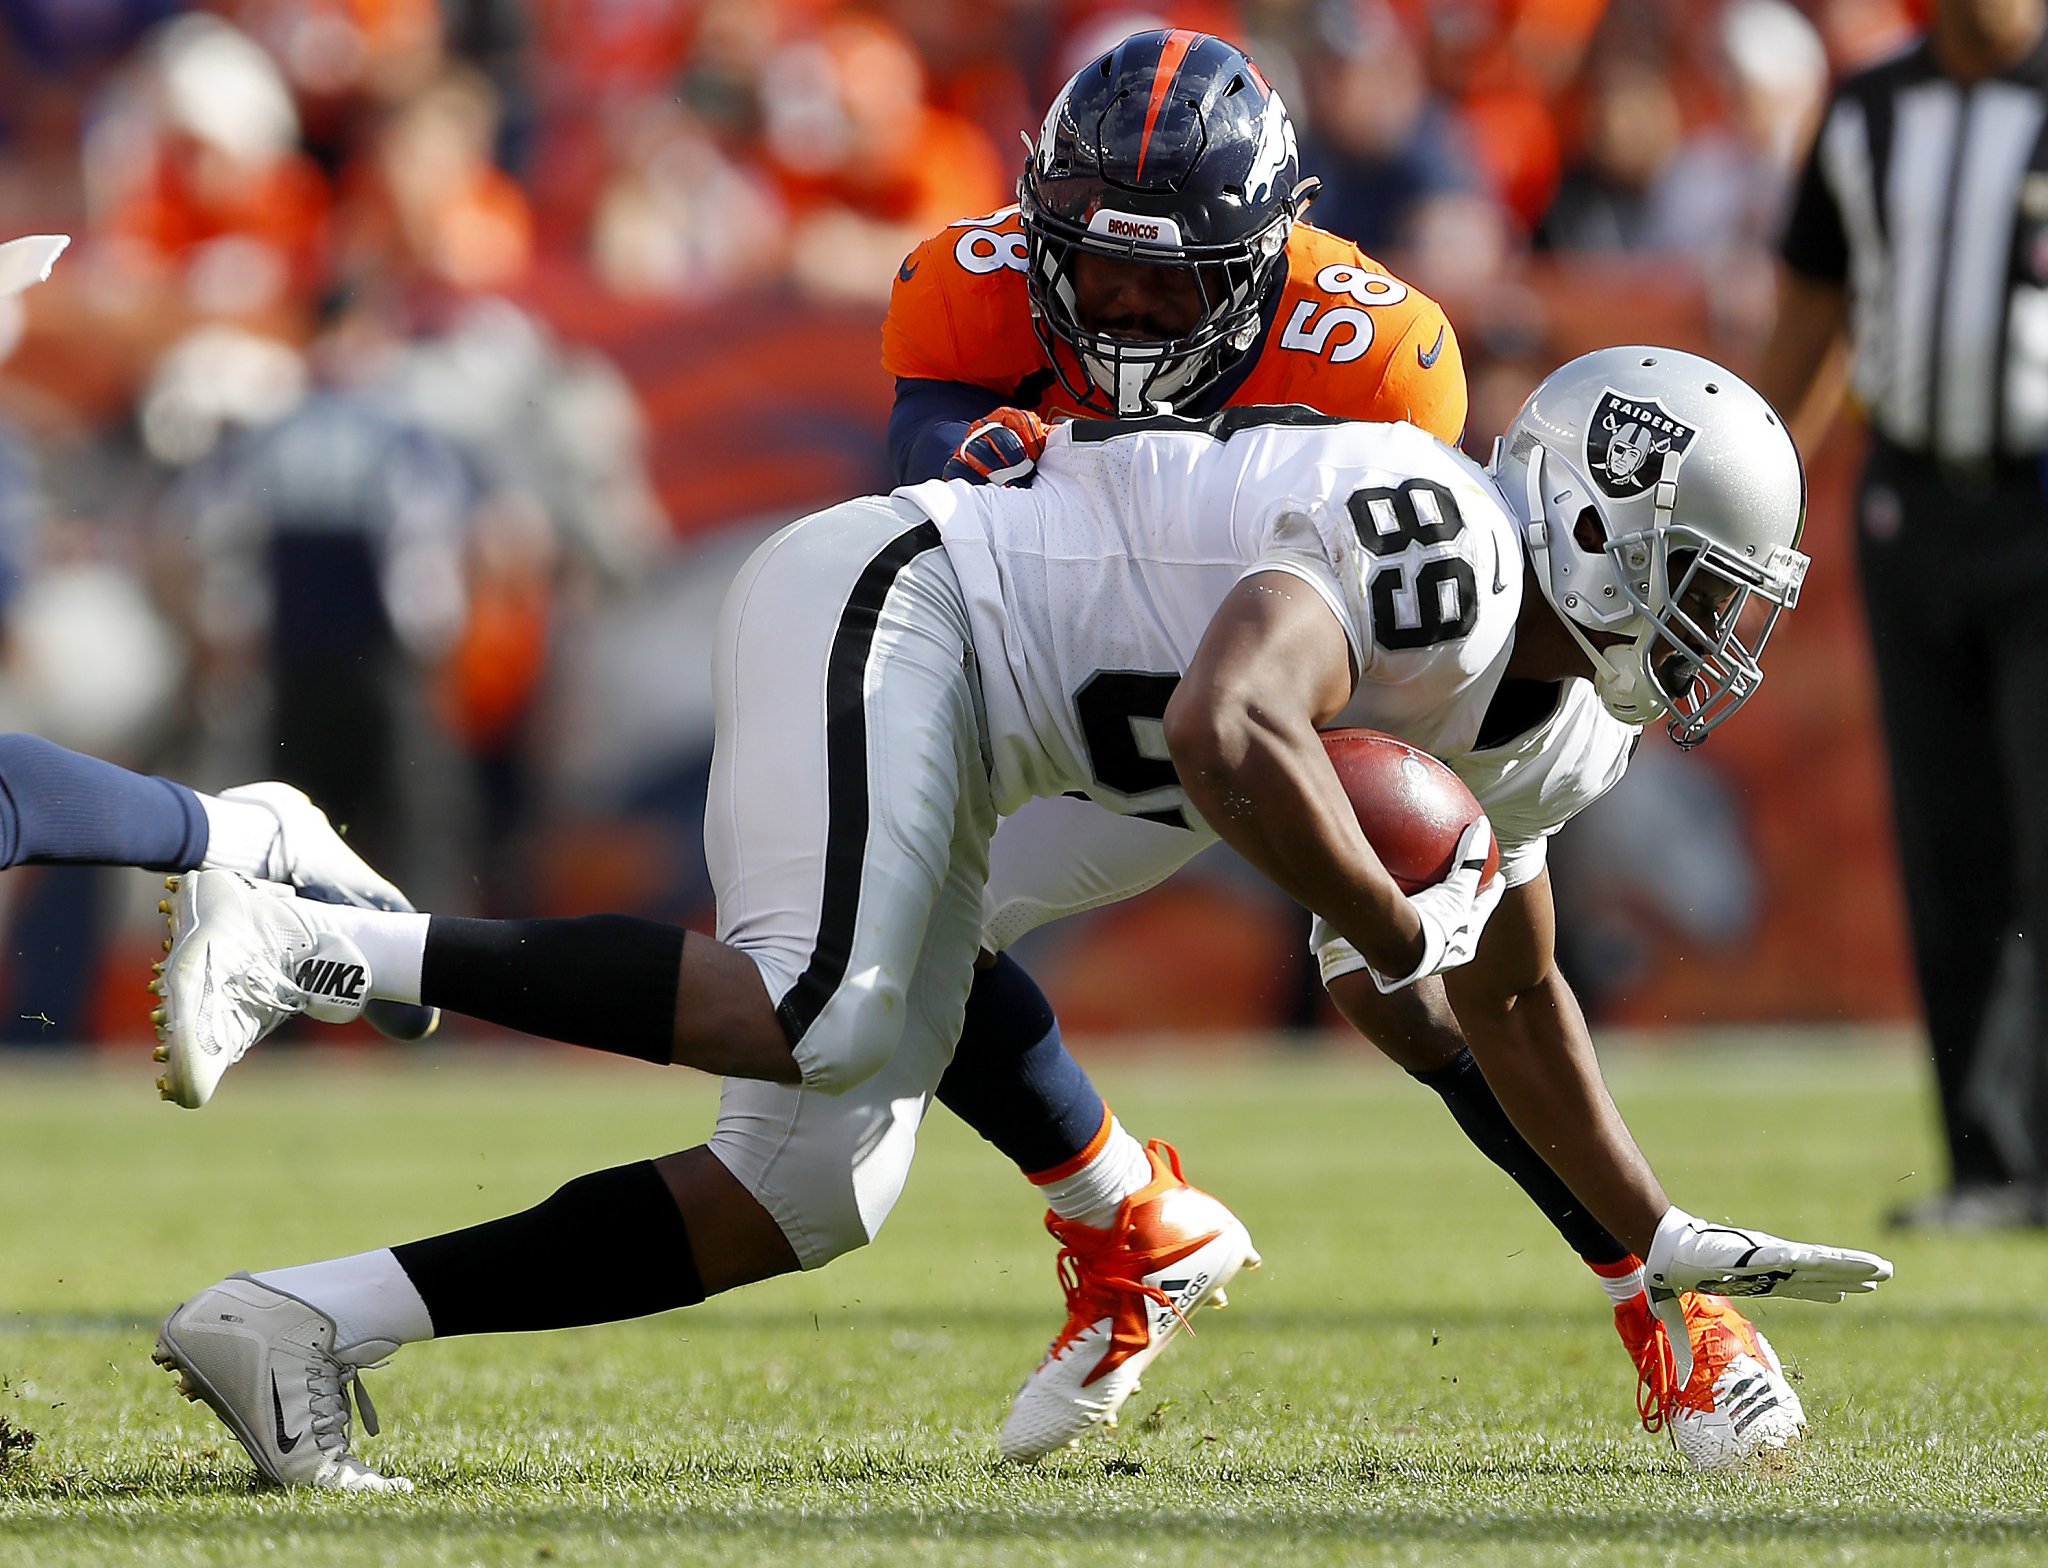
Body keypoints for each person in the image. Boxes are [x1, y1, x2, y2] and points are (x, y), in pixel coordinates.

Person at [148, 345, 1893, 1494]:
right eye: (1695, 581)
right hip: (920, 611)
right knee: (821, 1004)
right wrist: (1381, 915)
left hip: (1039, 753)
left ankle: (299, 1317)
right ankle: (312, 926)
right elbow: (1231, 731)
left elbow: (1495, 997)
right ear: (1595, 519)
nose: (1712, 636)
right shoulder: (1445, 538)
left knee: (809, 1185)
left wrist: (1641, 1233)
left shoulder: (1559, 724)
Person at [880, 28, 1791, 1463]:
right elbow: (921, 474)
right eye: (1096, 265)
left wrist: (1390, 913)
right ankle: (1130, 1216)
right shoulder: (970, 276)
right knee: (871, 978)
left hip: (1245, 709)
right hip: (1088, 670)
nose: (1122, 308)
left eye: (1172, 275)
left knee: (1448, 976)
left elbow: (1461, 969)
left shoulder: (1387, 366)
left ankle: (1651, 1303)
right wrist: (969, 456)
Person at [1755, 0, 2048, 1229]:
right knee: (1948, 841)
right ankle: (1989, 1164)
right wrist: (1753, 490)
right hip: (1911, 505)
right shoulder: (1864, 110)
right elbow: (1809, 311)